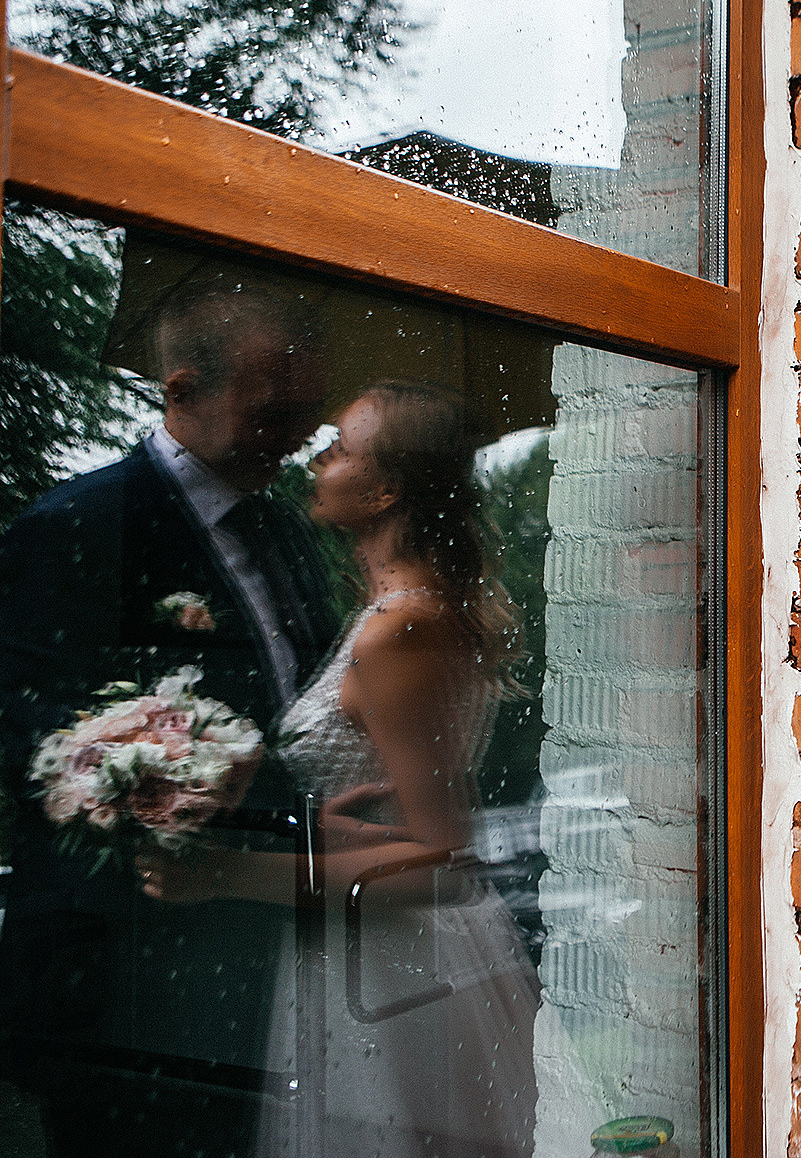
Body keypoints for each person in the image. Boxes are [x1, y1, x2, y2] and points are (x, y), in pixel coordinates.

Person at [140, 380, 538, 1158]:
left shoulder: (401, 628)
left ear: (385, 487)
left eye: (340, 448)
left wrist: (224, 872)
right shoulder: (396, 608)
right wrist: (315, 824)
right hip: (373, 943)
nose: (318, 459)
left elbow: (443, 862)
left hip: (394, 966)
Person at [0, 278, 334, 1157]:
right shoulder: (74, 525)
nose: (297, 436)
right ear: (180, 391)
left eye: (308, 413)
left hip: (266, 957)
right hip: (129, 984)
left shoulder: (291, 535)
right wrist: (146, 773)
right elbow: (24, 735)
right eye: (271, 412)